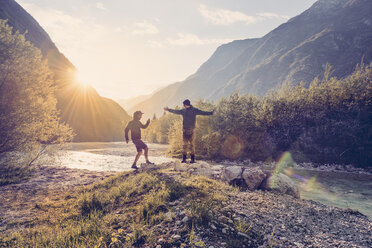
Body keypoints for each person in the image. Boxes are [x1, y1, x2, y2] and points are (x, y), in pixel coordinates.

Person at [164, 99, 214, 163]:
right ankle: (190, 160)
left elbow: (176, 111)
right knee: (190, 145)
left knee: (186, 145)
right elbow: (203, 112)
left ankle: (186, 159)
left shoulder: (185, 111)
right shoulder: (193, 110)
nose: (183, 106)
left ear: (185, 105)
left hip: (187, 130)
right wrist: (211, 113)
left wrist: (168, 109)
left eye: (183, 105)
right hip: (189, 130)